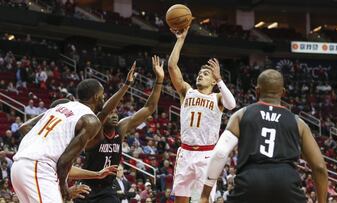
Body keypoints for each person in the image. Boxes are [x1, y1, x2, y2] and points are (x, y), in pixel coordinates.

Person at [199, 69, 328, 203]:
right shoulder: (298, 123)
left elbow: (220, 153)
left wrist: (204, 195)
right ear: (283, 92)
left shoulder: (241, 115)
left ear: (257, 91)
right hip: (286, 183)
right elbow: (319, 167)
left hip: (250, 181)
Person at [75, 55, 164, 203]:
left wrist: (159, 80)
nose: (114, 114)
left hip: (107, 190)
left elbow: (149, 108)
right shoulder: (95, 130)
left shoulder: (121, 128)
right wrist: (126, 85)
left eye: (116, 112)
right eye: (110, 112)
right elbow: (103, 112)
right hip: (87, 187)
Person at [168, 27, 236, 202]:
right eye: (199, 73)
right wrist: (180, 40)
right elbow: (171, 66)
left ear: (213, 80)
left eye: (205, 74)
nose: (200, 75)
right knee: (180, 200)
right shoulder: (186, 91)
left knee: (201, 200)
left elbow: (232, 104)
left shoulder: (218, 97)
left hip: (206, 155)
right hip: (185, 152)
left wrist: (220, 79)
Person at [11, 78, 106, 202]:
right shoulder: (91, 121)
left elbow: (25, 127)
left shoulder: (61, 106)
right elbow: (65, 161)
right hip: (39, 168)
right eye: (102, 95)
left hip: (20, 166)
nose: (103, 99)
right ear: (96, 96)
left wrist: (45, 144)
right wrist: (63, 188)